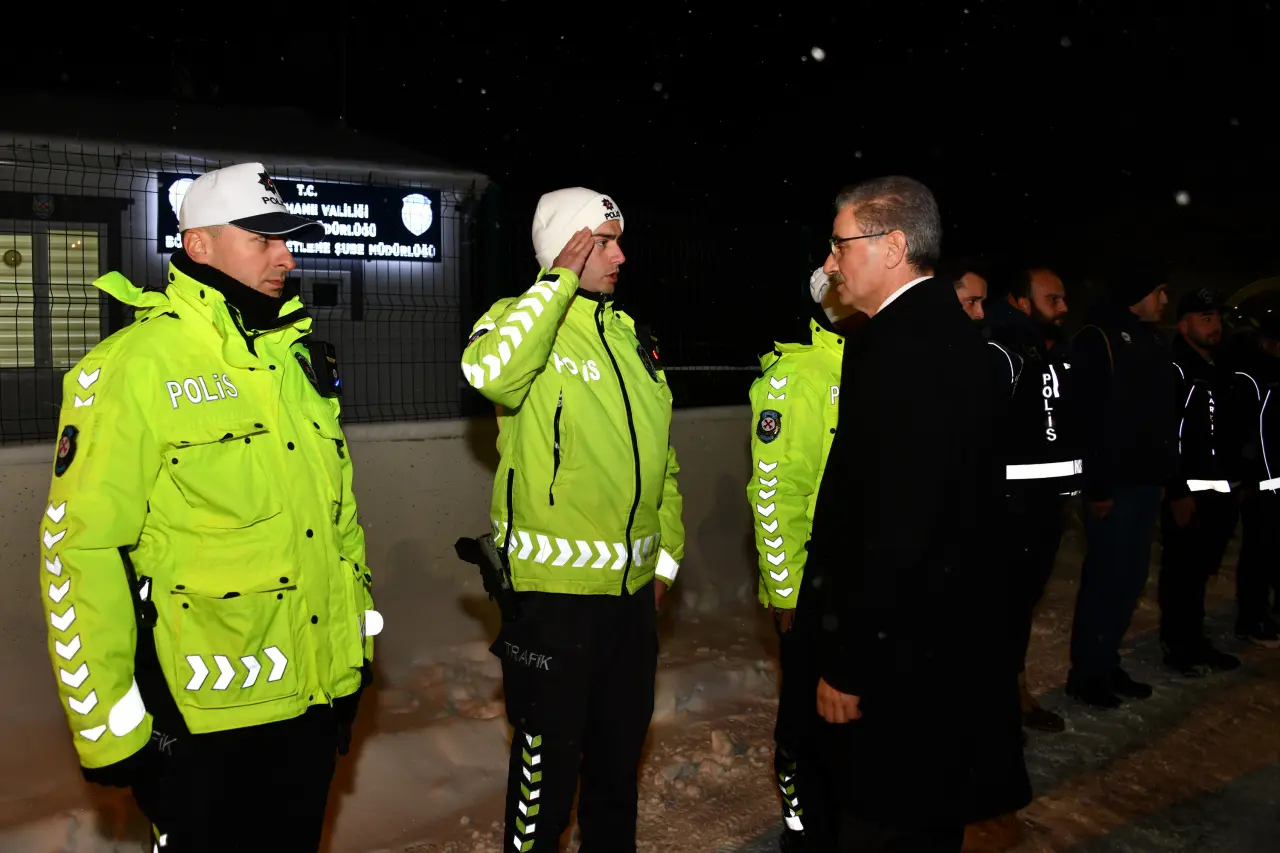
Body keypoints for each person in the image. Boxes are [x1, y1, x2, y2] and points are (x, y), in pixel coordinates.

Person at [38, 162, 378, 852]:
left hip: (308, 705)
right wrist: (109, 729)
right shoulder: (134, 366)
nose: (287, 256)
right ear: (199, 245)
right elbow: (80, 548)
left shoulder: (296, 360)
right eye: (264, 238)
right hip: (202, 723)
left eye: (291, 239)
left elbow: (337, 525)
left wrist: (351, 662)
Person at [801, 176, 1027, 852]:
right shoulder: (928, 335)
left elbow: (899, 529)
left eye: (841, 245)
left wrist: (849, 662)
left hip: (902, 668)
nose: (831, 263)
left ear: (894, 245)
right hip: (933, 652)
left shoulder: (910, 353)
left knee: (887, 824)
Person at [459, 188, 685, 851]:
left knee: (617, 778)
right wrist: (557, 278)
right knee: (545, 786)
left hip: (630, 605)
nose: (621, 254)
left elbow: (663, 460)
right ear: (569, 244)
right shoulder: (513, 323)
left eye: (617, 240)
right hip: (553, 605)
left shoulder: (631, 335)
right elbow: (490, 374)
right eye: (604, 241)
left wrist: (662, 562)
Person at [747, 267, 863, 851]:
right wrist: (786, 590)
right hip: (813, 589)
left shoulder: (875, 363)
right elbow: (773, 492)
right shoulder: (798, 375)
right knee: (803, 723)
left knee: (852, 725)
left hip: (860, 588)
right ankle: (803, 831)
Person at [1066, 264, 1175, 708]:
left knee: (1130, 580)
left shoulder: (1150, 340)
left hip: (1144, 484)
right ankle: (1087, 673)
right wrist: (1097, 488)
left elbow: (1159, 418)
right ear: (1136, 294)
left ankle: (1106, 662)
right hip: (1115, 487)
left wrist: (1165, 477)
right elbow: (1090, 419)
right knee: (1106, 580)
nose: (1165, 301)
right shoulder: (1099, 338)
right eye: (1159, 292)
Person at [985, 266, 1078, 734]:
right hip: (1008, 509)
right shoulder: (1001, 347)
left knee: (1019, 609)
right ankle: (996, 712)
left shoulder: (1052, 348)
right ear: (1021, 301)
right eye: (1052, 299)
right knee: (997, 613)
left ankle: (1015, 697)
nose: (1063, 309)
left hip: (1042, 507)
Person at [1159, 288, 1246, 675]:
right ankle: (1179, 646)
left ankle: (1194, 640)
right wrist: (1176, 489)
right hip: (1189, 491)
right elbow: (1166, 432)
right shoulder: (1177, 368)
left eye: (1217, 318)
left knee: (1202, 570)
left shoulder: (1219, 368)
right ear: (1184, 324)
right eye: (1205, 318)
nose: (1215, 326)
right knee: (1183, 571)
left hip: (1220, 489)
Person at [1228, 313, 1280, 646]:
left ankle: (1261, 613)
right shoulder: (1259, 377)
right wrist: (1261, 479)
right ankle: (1252, 618)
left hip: (1268, 481)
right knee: (1261, 550)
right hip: (1264, 483)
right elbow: (1258, 434)